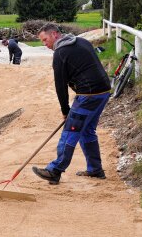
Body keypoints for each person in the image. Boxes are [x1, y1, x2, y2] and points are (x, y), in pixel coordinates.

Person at [32, 23, 111, 185]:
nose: (44, 44)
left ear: (54, 34)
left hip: (88, 95)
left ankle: (55, 170)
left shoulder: (60, 53)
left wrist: (65, 110)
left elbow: (60, 85)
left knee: (70, 132)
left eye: (45, 40)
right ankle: (95, 169)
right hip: (103, 91)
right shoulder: (82, 41)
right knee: (87, 130)